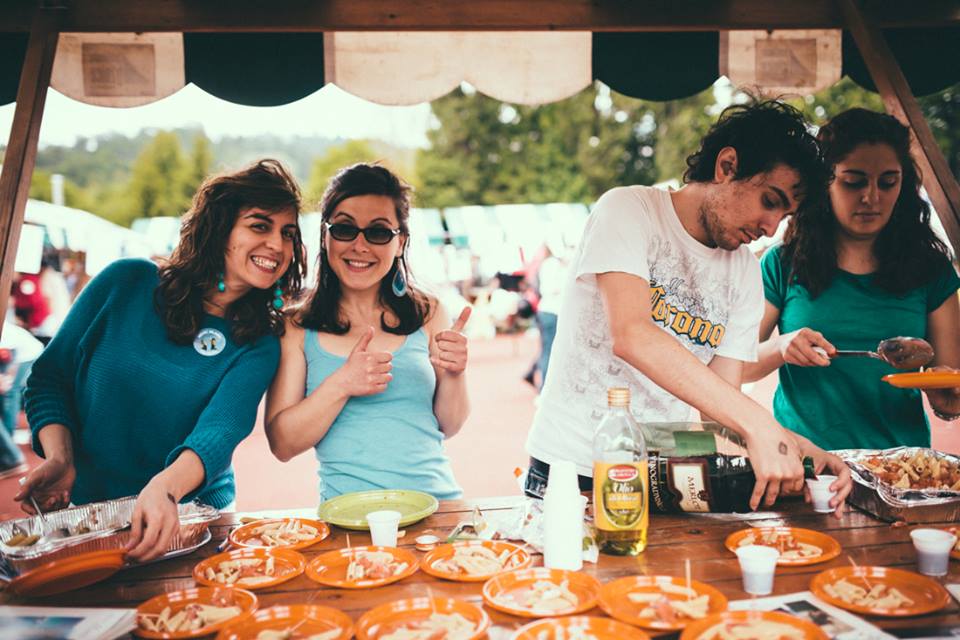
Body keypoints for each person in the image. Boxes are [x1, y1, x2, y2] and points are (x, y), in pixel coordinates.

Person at [525, 99, 852, 514]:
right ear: (727, 166)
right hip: (573, 470)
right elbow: (632, 335)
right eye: (770, 201)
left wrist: (797, 448)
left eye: (785, 215)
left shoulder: (744, 272)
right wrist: (759, 425)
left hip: (662, 478)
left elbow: (719, 411)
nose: (771, 227)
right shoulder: (628, 210)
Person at [16, 159, 306, 561]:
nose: (278, 244)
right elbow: (49, 378)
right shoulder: (125, 283)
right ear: (219, 229)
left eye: (288, 233)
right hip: (88, 515)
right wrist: (61, 458)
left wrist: (165, 489)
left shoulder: (259, 342)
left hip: (191, 518)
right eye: (260, 226)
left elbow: (218, 432)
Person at [744, 108, 960, 449]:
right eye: (854, 181)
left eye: (888, 182)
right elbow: (738, 366)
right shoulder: (781, 263)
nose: (871, 197)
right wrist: (780, 347)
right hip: (807, 464)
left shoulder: (932, 270)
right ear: (824, 183)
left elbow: (949, 395)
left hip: (902, 467)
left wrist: (946, 397)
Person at [266, 163, 467, 501]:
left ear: (400, 242)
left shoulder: (430, 312)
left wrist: (455, 374)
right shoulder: (295, 326)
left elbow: (450, 425)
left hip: (437, 507)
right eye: (345, 229)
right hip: (346, 519)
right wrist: (343, 383)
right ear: (325, 236)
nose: (360, 245)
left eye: (378, 232)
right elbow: (282, 444)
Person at [0, 320, 44, 478]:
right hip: (13, 351)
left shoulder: (7, 338)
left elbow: (12, 357)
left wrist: (6, 378)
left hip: (25, 353)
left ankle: (10, 455)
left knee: (9, 393)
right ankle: (8, 450)